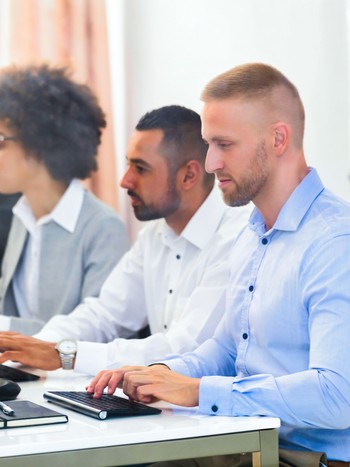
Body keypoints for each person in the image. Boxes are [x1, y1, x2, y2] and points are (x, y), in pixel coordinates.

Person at [86, 64, 350, 466]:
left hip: (309, 459)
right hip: (248, 445)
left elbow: (338, 395)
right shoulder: (251, 234)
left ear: (278, 139)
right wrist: (156, 374)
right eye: (208, 144)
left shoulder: (334, 242)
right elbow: (228, 350)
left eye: (224, 145)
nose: (210, 164)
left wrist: (198, 391)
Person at [0, 105, 251, 374]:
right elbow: (104, 314)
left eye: (141, 169)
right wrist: (32, 347)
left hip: (213, 410)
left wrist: (66, 355)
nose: (124, 180)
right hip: (165, 406)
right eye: (128, 164)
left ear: (189, 175)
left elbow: (185, 349)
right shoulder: (153, 237)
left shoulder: (236, 236)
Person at [0, 64, 128, 336]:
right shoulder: (21, 215)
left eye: (1, 140)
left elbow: (97, 333)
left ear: (42, 142)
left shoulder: (103, 228)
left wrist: (5, 327)